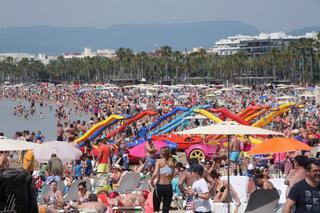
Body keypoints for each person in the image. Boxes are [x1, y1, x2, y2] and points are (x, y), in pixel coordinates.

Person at [150, 147, 175, 213]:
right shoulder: (172, 162)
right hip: (168, 186)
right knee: (166, 210)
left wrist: (151, 181)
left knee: (156, 208)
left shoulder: (159, 161)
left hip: (160, 186)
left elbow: (155, 173)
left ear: (161, 154)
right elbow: (172, 176)